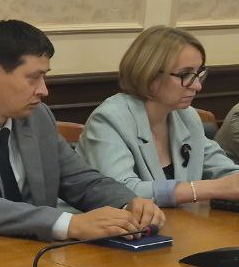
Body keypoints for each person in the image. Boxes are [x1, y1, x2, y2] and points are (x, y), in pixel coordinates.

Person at [0, 20, 164, 240]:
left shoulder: (38, 117)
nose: (44, 90)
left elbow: (81, 180)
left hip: (39, 257)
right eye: (33, 78)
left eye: (44, 77)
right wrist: (69, 224)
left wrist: (129, 203)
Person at [78, 26, 239, 205]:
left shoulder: (186, 116)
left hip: (180, 220)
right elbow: (120, 191)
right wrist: (208, 188)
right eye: (185, 74)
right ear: (150, 74)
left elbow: (225, 172)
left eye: (199, 73)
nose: (197, 86)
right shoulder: (109, 119)